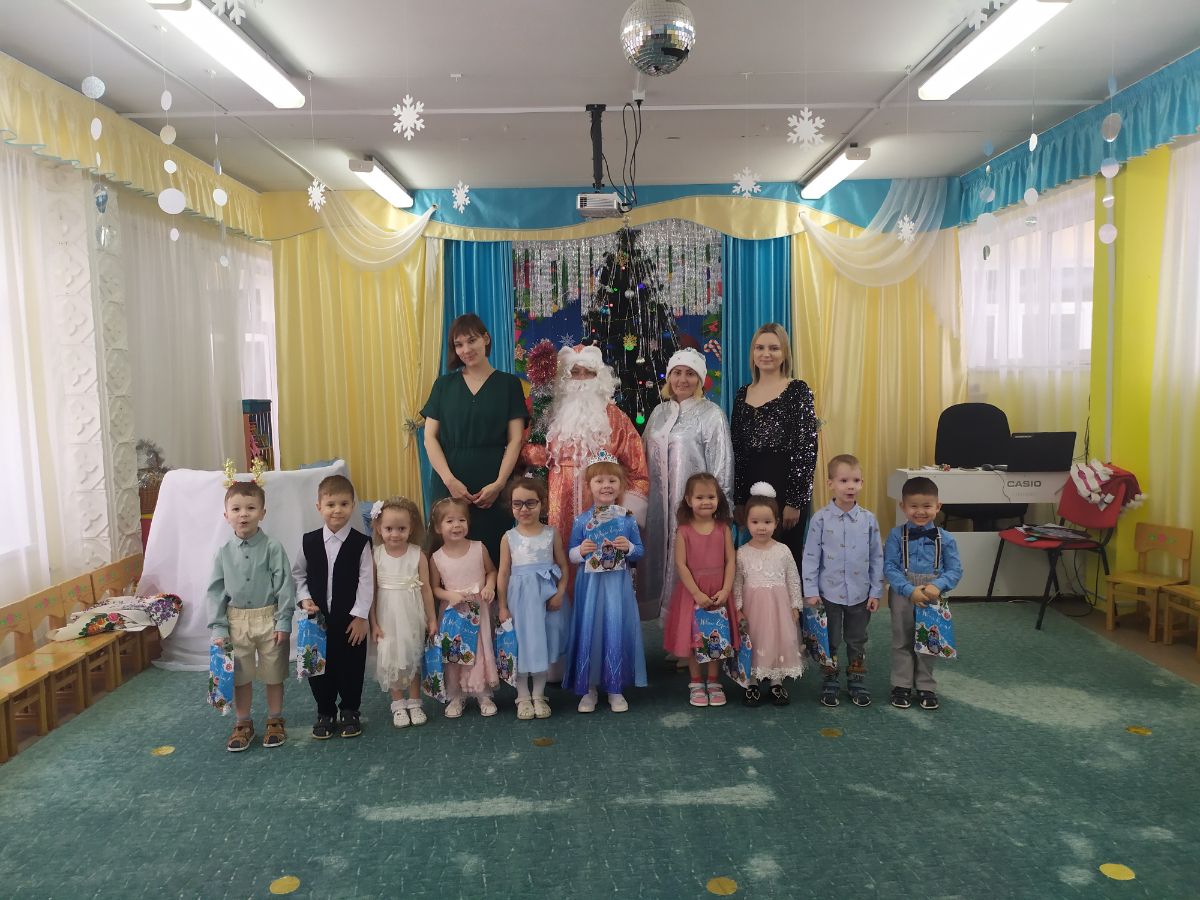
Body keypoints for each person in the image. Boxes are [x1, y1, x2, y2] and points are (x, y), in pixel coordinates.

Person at [522, 344, 650, 553]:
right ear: (564, 378)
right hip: (558, 502)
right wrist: (539, 454)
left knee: (599, 558)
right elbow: (526, 450)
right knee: (562, 554)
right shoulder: (548, 414)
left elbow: (637, 469)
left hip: (603, 504)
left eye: (589, 372)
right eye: (574, 372)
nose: (581, 379)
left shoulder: (616, 417)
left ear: (599, 377)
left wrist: (625, 514)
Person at [422, 313, 528, 565]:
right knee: (444, 555)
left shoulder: (509, 384)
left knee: (493, 556)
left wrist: (499, 484)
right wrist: (449, 480)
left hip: (492, 485)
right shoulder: (443, 386)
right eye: (459, 344)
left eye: (471, 341)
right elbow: (429, 438)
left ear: (486, 339)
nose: (466, 350)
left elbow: (515, 440)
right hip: (449, 482)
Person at [641, 347, 733, 619]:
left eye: (690, 373)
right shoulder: (658, 412)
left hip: (694, 508)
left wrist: (718, 510)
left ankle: (686, 627)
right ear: (669, 377)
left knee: (689, 564)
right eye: (677, 373)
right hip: (658, 506)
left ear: (700, 379)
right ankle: (664, 622)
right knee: (660, 557)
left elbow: (722, 463)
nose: (682, 379)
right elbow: (643, 455)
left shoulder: (711, 414)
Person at [206, 480, 296, 752]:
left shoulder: (273, 547)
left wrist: (283, 621)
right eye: (236, 509)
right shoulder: (223, 552)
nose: (243, 514)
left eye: (250, 508)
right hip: (235, 621)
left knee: (273, 672)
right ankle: (243, 721)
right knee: (240, 674)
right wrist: (219, 627)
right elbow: (215, 591)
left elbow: (285, 585)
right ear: (226, 515)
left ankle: (275, 718)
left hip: (269, 618)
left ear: (262, 513)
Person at [561, 450, 647, 713]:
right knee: (590, 628)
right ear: (589, 486)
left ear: (621, 485)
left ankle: (615, 687)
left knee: (615, 627)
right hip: (590, 587)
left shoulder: (627, 518)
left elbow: (639, 551)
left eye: (612, 480)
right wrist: (581, 550)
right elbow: (570, 554)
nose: (606, 485)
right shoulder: (582, 520)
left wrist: (628, 547)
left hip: (617, 586)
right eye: (599, 481)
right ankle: (588, 688)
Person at [293, 474, 374, 740]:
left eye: (343, 504)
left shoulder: (361, 543)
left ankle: (350, 710)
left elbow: (366, 581)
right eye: (330, 504)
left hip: (351, 621)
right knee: (318, 668)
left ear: (352, 506)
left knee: (351, 666)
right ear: (319, 507)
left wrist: (361, 616)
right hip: (317, 621)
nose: (337, 510)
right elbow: (298, 574)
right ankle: (325, 711)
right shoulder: (308, 541)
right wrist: (304, 598)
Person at [730, 323, 819, 564]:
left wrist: (795, 501)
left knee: (787, 558)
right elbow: (737, 450)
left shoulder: (797, 390)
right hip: (751, 488)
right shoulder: (742, 394)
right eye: (760, 348)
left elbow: (806, 449)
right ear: (752, 353)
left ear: (785, 353)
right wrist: (739, 500)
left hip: (787, 485)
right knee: (754, 558)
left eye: (774, 348)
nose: (766, 354)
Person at [802, 454, 883, 709]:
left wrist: (876, 591)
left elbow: (876, 557)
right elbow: (811, 557)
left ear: (862, 483)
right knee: (831, 639)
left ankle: (856, 679)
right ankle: (830, 679)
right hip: (829, 593)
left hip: (860, 593)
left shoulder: (868, 520)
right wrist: (810, 590)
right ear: (830, 484)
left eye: (856, 480)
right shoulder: (820, 519)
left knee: (857, 639)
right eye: (844, 480)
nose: (850, 486)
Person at [883, 476, 963, 711]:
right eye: (914, 506)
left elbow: (955, 569)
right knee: (902, 640)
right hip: (903, 593)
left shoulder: (946, 538)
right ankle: (901, 684)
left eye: (927, 506)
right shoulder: (896, 535)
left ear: (938, 506)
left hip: (932, 594)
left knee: (929, 641)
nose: (920, 512)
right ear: (903, 506)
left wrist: (938, 585)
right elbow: (889, 567)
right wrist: (909, 590)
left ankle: (926, 685)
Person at [661, 473, 737, 708]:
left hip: (718, 592)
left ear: (718, 499)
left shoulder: (723, 529)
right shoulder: (683, 531)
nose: (706, 502)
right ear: (688, 499)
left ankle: (713, 681)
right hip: (693, 594)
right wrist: (696, 593)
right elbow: (681, 564)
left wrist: (726, 589)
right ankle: (695, 682)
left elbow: (730, 561)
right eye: (700, 497)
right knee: (694, 640)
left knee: (715, 638)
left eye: (711, 497)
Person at [496, 476, 569, 720]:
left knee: (542, 643)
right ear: (511, 506)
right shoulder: (508, 537)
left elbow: (563, 566)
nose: (524, 509)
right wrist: (502, 606)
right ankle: (522, 696)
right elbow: (503, 573)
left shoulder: (551, 533)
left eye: (530, 503)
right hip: (520, 600)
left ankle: (539, 694)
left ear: (542, 504)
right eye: (517, 504)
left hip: (546, 598)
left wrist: (560, 592)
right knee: (522, 644)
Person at [368, 497, 438, 729]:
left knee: (412, 655)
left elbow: (426, 589)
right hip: (386, 615)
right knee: (392, 657)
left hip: (411, 613)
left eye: (401, 529)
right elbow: (372, 592)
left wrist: (432, 618)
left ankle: (415, 702)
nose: (395, 534)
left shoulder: (418, 554)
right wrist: (373, 623)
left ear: (411, 528)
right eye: (389, 528)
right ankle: (398, 704)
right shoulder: (376, 555)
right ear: (379, 528)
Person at [733, 482, 805, 707]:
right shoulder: (742, 553)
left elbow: (793, 578)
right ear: (746, 522)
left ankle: (776, 681)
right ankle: (752, 681)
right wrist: (737, 608)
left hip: (778, 608)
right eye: (755, 522)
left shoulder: (783, 551)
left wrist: (795, 605)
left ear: (776, 522)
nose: (761, 527)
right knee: (754, 642)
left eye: (767, 522)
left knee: (778, 640)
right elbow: (737, 582)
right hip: (752, 610)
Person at [428, 497, 500, 719]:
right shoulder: (436, 558)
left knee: (479, 650)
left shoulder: (479, 548)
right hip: (453, 612)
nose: (456, 525)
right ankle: (456, 695)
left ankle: (482, 694)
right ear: (438, 527)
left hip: (478, 610)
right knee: (455, 652)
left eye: (461, 520)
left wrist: (489, 586)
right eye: (449, 521)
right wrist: (449, 594)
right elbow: (434, 588)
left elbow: (491, 571)